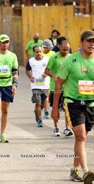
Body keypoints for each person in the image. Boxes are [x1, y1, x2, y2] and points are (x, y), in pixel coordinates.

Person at [51, 30, 94, 182]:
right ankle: (86, 171)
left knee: (81, 138)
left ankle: (74, 169)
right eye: (89, 41)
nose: (92, 44)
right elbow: (58, 84)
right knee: (81, 136)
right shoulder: (70, 61)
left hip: (91, 104)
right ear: (81, 42)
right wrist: (55, 108)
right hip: (73, 103)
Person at [45, 38, 73, 137]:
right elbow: (46, 70)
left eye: (68, 49)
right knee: (55, 108)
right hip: (55, 88)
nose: (66, 51)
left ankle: (67, 128)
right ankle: (56, 127)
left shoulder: (71, 58)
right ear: (59, 47)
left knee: (67, 109)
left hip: (68, 89)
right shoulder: (54, 57)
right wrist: (53, 76)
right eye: (64, 49)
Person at [25, 45, 49, 127]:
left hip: (45, 85)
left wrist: (46, 74)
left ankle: (37, 112)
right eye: (37, 52)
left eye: (40, 51)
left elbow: (51, 69)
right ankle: (39, 120)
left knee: (42, 104)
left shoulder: (47, 60)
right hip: (35, 85)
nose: (39, 53)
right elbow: (27, 70)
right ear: (34, 52)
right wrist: (30, 77)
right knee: (38, 103)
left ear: (42, 51)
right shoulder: (31, 61)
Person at [42, 39, 55, 119]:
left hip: (51, 77)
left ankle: (46, 110)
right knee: (43, 96)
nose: (50, 49)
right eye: (48, 47)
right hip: (42, 78)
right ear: (44, 47)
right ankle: (40, 108)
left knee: (47, 96)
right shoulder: (40, 53)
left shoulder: (53, 54)